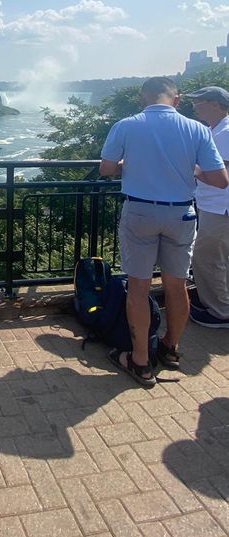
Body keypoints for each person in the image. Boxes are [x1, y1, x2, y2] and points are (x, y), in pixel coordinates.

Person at [99, 76, 228, 387]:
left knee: (139, 288)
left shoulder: (127, 124)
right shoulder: (197, 129)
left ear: (143, 99)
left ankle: (140, 361)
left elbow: (105, 169)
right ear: (177, 99)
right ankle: (171, 347)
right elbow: (221, 180)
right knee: (177, 285)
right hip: (181, 214)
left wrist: (126, 165)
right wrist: (191, 168)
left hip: (141, 211)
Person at [185, 86, 229, 328]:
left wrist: (190, 165)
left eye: (198, 102)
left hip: (221, 208)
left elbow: (217, 175)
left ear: (215, 104)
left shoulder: (225, 133)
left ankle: (220, 312)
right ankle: (221, 302)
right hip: (216, 206)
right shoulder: (216, 130)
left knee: (206, 258)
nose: (194, 107)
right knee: (220, 259)